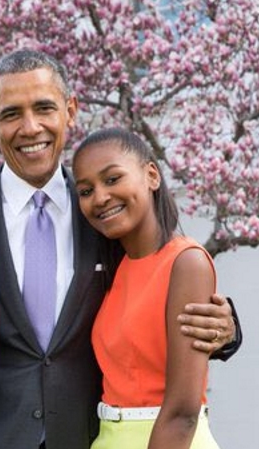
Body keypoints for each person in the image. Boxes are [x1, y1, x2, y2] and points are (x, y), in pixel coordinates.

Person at [0, 49, 241, 449]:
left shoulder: (106, 214)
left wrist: (226, 331)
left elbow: (155, 283)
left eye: (44, 108)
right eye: (11, 114)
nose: (30, 127)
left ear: (70, 111)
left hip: (87, 437)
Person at [72, 127, 220, 449]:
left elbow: (182, 413)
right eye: (86, 191)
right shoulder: (115, 270)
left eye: (113, 179)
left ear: (151, 175)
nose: (100, 197)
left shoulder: (186, 262)